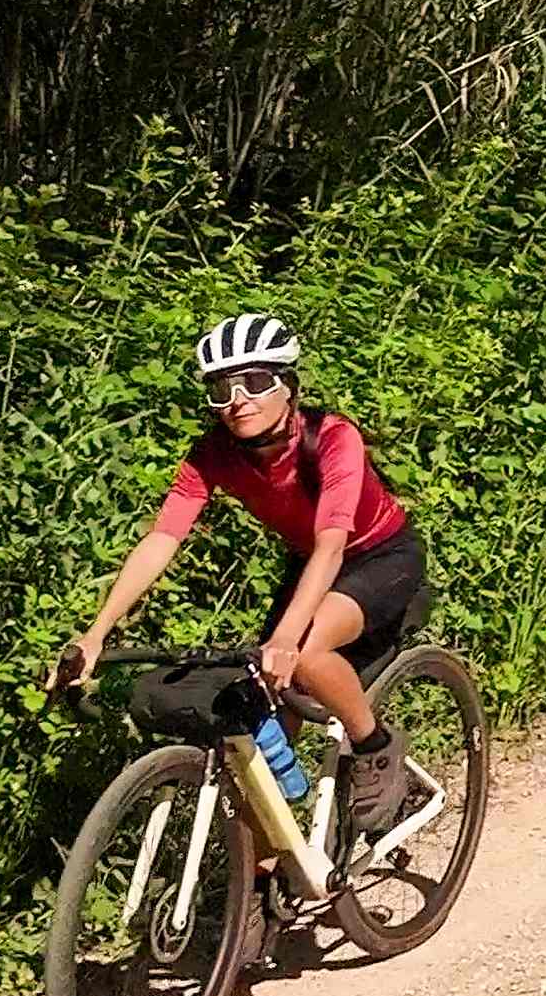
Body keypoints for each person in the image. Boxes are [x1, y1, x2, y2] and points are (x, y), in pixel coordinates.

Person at [50, 315, 425, 823]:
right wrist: (96, 634)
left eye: (254, 382)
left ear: (288, 387)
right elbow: (163, 538)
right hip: (306, 561)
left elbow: (332, 544)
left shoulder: (333, 438)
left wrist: (288, 639)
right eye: (221, 389)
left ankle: (374, 746)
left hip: (378, 555)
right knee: (262, 723)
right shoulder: (214, 456)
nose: (237, 400)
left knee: (307, 656)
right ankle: (279, 873)